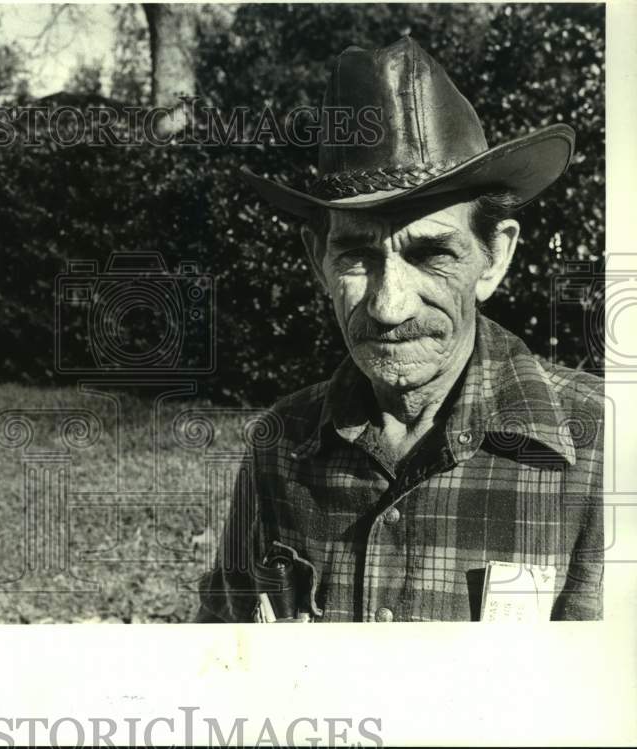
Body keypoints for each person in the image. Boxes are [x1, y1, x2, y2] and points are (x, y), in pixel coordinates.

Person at [196, 37, 603, 623]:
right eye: (357, 255)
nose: (389, 307)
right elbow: (223, 666)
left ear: (495, 258)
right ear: (319, 260)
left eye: (433, 254)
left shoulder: (602, 451)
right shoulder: (279, 444)